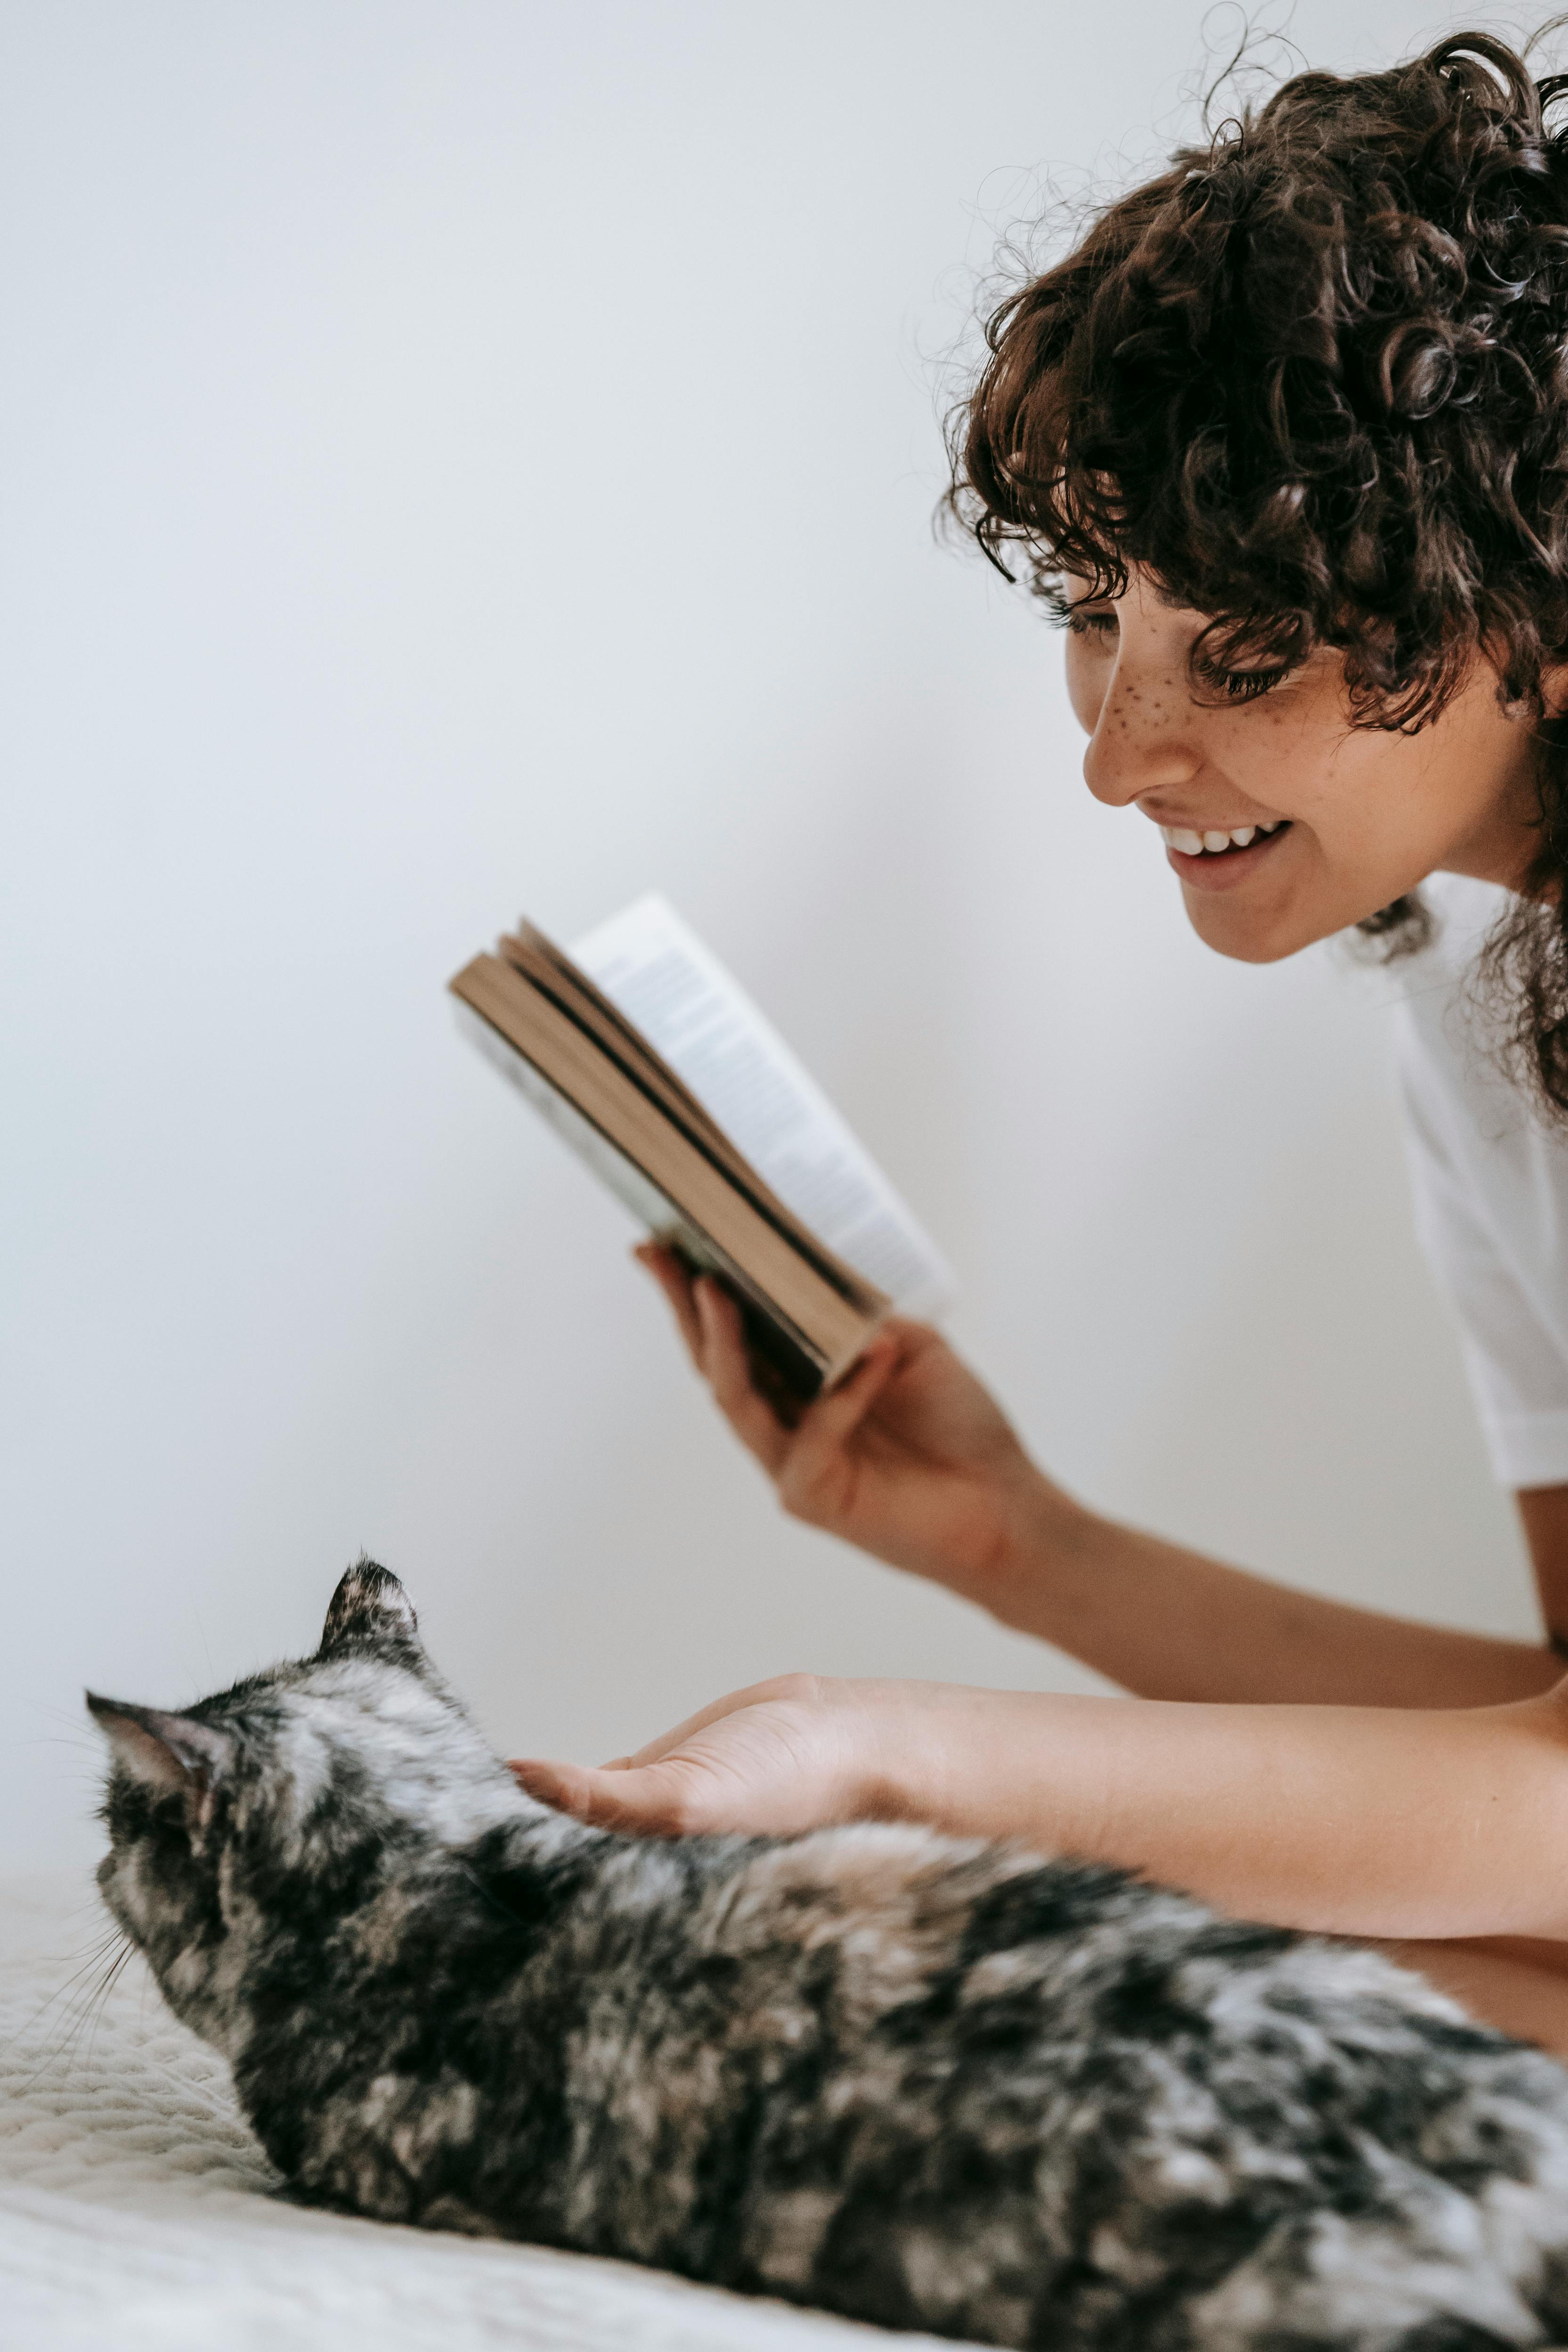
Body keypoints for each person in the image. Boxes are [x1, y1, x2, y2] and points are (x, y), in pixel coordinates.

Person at [512, 31, 1568, 2054]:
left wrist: (889, 1755)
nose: (1112, 758)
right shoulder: (1469, 997)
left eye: (1235, 647)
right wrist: (1019, 1547)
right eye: (1096, 611)